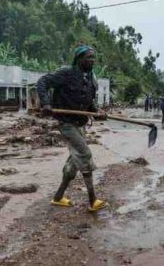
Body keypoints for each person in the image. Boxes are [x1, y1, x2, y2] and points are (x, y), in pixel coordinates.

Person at [37, 44, 107, 212]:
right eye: (88, 57)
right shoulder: (66, 73)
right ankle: (92, 200)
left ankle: (58, 197)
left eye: (93, 57)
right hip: (66, 123)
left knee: (74, 162)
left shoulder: (91, 79)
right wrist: (46, 103)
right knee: (84, 153)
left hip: (81, 124)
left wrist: (97, 112)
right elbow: (42, 82)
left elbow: (90, 103)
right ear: (79, 59)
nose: (92, 60)